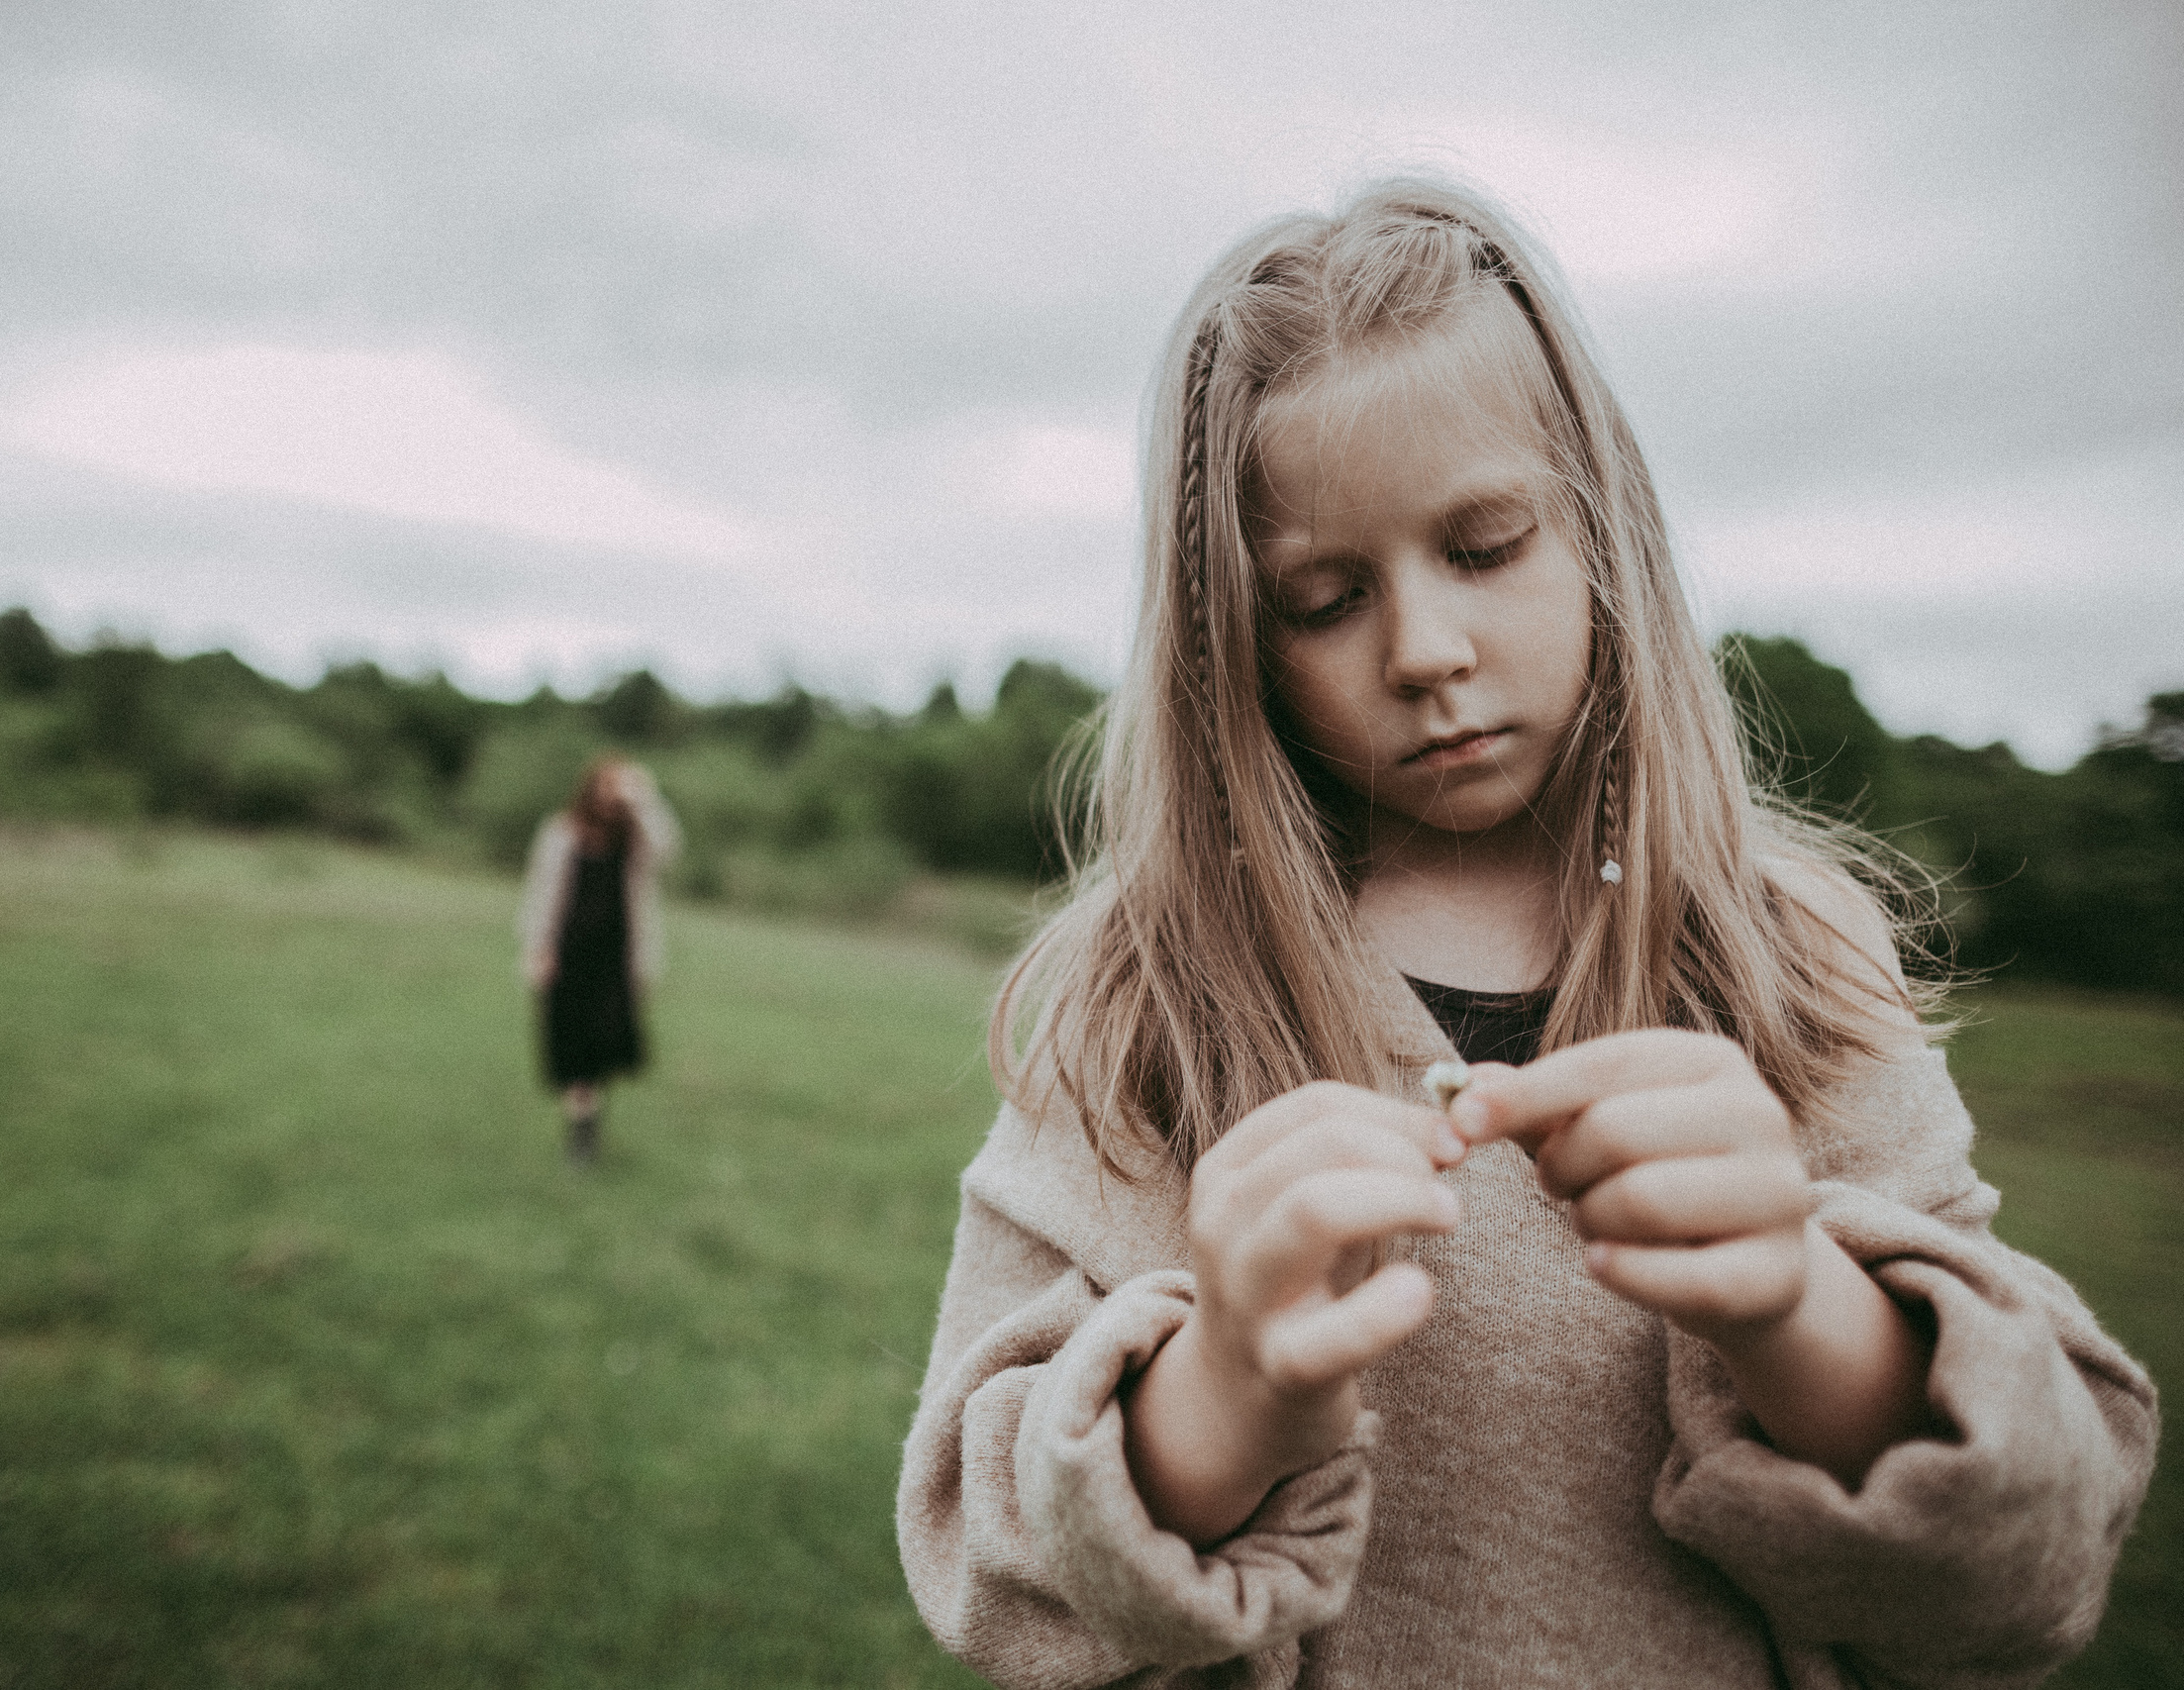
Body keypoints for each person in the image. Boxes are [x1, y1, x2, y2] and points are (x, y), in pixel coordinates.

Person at [895, 179, 2156, 1688]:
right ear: (1231, 634)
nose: (1426, 650)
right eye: (1324, 595)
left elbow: (2042, 1563)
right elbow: (989, 1561)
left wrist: (1802, 1301)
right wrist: (1221, 1386)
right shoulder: (1147, 994)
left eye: (1486, 544)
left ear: (1603, 535)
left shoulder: (1791, 957)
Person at [518, 756, 679, 1165]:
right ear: (589, 789)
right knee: (573, 1046)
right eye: (605, 788)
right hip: (568, 956)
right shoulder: (561, 832)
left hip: (616, 962)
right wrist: (538, 949)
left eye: (619, 791)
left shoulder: (636, 839)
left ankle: (588, 1115)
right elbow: (541, 894)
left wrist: (645, 799)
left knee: (606, 1043)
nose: (611, 798)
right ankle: (582, 1131)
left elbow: (670, 851)